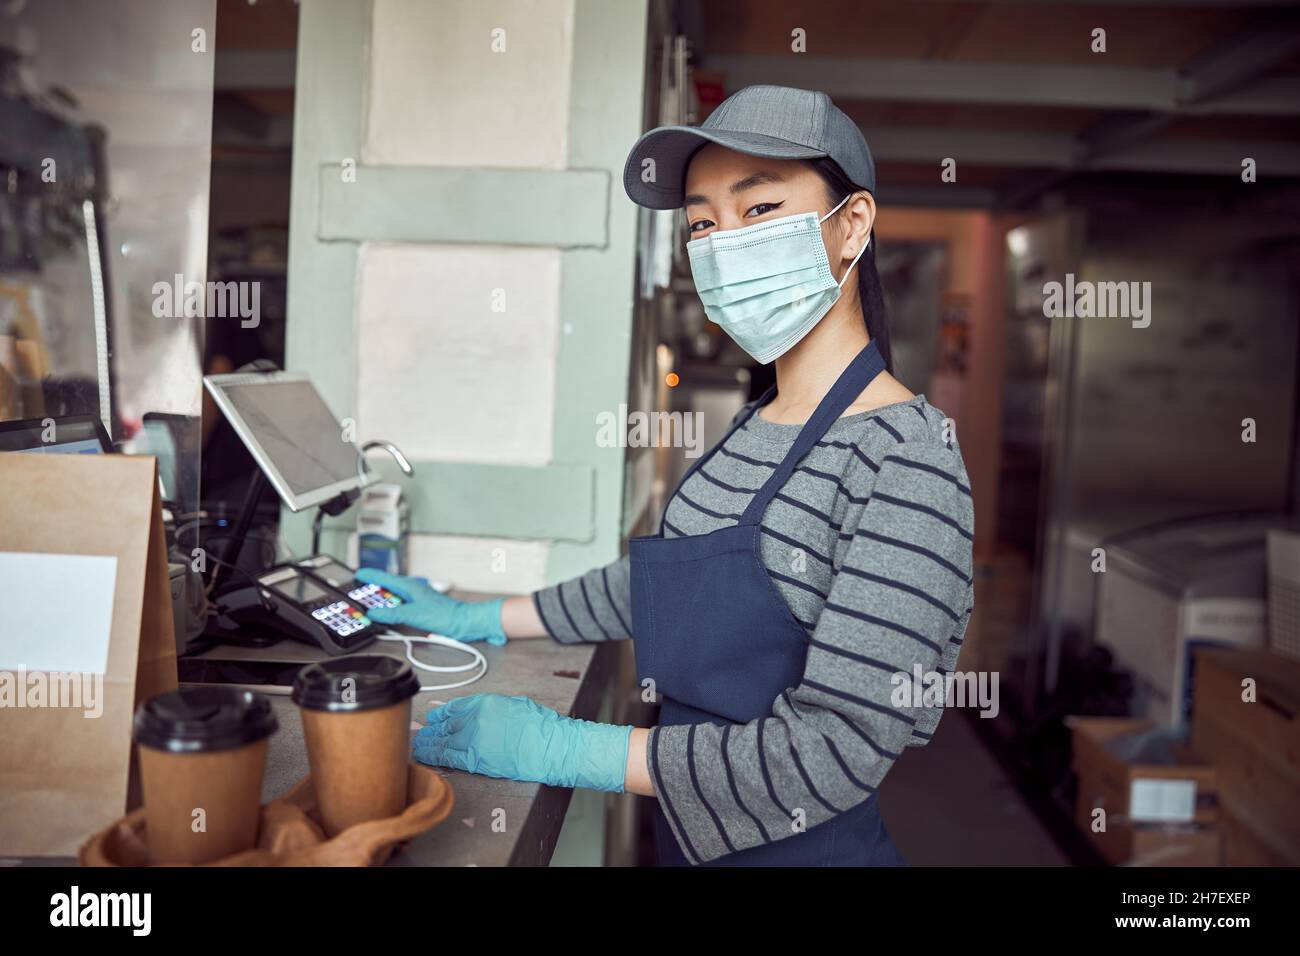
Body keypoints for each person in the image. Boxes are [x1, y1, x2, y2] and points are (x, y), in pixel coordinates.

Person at [357, 85, 975, 866]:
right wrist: (479, 617)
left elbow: (833, 751)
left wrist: (569, 750)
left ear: (852, 226)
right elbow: (663, 587)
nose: (724, 241)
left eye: (758, 211)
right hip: (690, 843)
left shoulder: (907, 462)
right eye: (702, 223)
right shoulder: (758, 424)